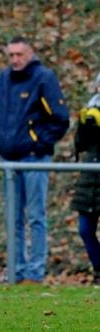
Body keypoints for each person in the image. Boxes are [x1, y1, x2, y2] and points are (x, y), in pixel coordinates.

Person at [0, 36, 69, 284]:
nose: (15, 59)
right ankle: (16, 270)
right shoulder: (2, 78)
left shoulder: (44, 77)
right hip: (9, 158)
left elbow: (60, 118)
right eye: (11, 54)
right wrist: (0, 140)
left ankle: (35, 272)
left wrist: (39, 144)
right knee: (13, 218)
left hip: (34, 158)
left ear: (30, 53)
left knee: (36, 216)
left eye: (19, 54)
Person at [71, 72, 100, 285]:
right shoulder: (91, 109)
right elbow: (80, 146)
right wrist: (85, 126)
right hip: (89, 178)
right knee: (84, 229)